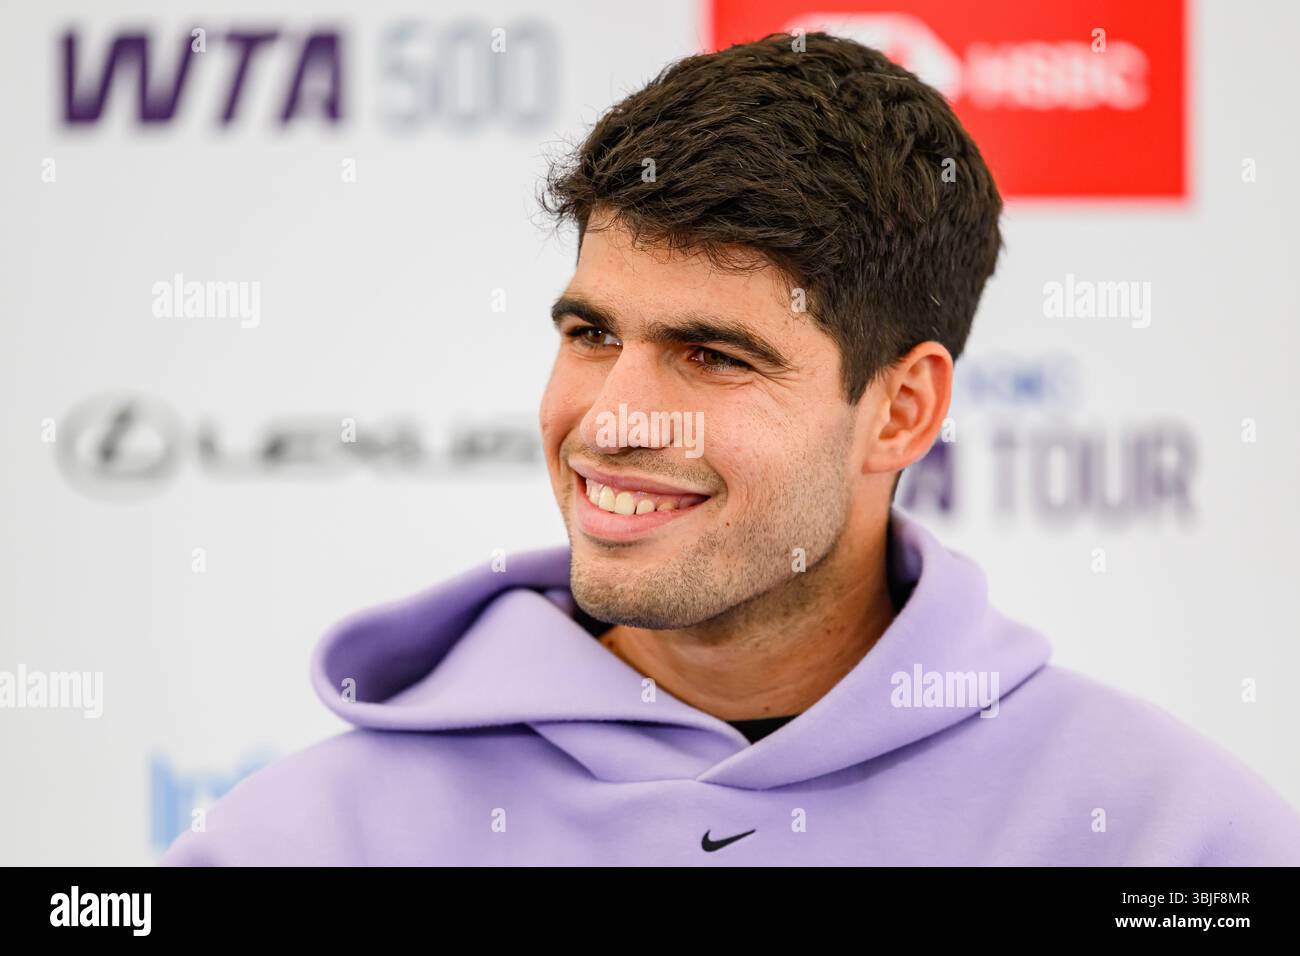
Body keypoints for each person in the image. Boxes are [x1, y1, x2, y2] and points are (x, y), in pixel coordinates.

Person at [162, 32, 1300, 865]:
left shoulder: (1172, 840)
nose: (612, 418)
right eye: (589, 333)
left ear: (900, 411)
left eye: (712, 355)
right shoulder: (302, 843)